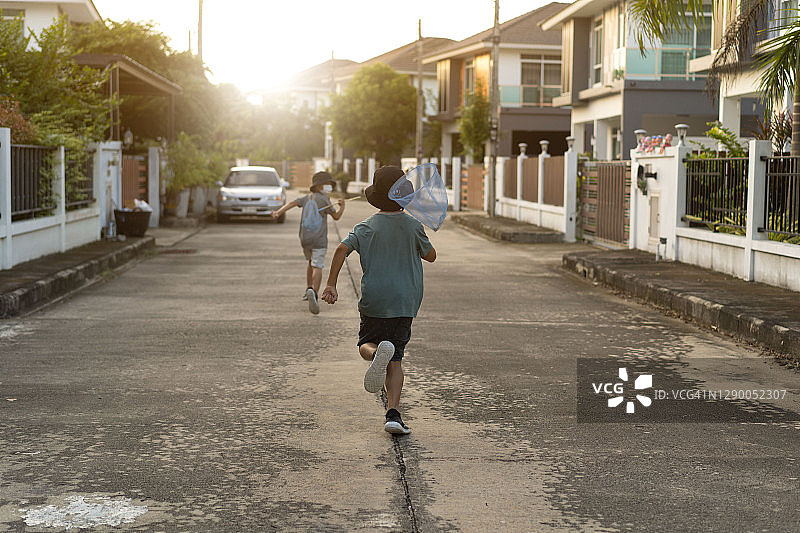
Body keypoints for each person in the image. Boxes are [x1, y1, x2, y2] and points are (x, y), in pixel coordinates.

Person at [321, 166, 436, 435]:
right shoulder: (413, 225)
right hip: (404, 302)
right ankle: (393, 415)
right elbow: (430, 256)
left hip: (375, 299)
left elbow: (341, 249)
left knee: (366, 343)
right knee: (395, 359)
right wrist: (420, 235)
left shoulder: (366, 227)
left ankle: (374, 355)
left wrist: (331, 284)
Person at [272, 171, 344, 314]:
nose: (329, 187)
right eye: (327, 184)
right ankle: (314, 293)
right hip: (319, 240)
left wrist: (278, 213)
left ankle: (308, 289)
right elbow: (336, 216)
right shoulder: (324, 200)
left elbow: (292, 203)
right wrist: (342, 207)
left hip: (304, 238)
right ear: (318, 186)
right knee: (318, 265)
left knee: (311, 262)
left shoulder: (306, 197)